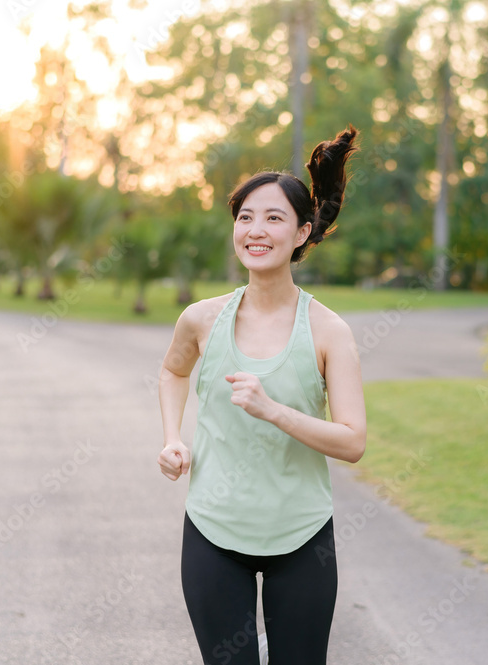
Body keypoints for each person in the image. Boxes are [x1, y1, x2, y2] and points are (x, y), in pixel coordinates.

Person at [156, 125, 366, 665]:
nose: (256, 229)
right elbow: (173, 372)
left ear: (301, 233)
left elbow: (352, 442)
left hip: (302, 536)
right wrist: (172, 438)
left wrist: (273, 410)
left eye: (274, 218)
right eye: (246, 217)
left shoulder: (328, 331)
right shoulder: (201, 319)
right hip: (213, 527)